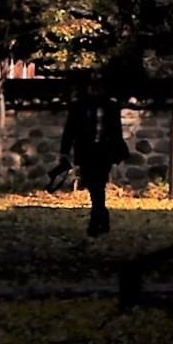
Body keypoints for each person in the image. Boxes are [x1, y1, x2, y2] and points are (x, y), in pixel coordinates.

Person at [63, 77, 130, 236]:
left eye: (98, 88)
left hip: (103, 151)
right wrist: (64, 152)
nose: (95, 92)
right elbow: (70, 130)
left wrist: (117, 151)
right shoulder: (79, 106)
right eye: (92, 88)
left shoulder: (111, 107)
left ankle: (95, 219)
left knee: (98, 184)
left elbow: (116, 132)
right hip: (86, 152)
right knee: (92, 184)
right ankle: (102, 215)